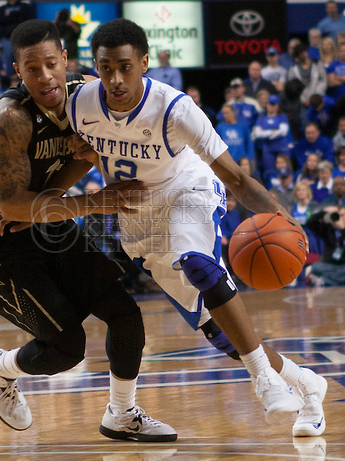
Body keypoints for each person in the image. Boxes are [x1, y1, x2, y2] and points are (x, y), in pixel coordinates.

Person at [67, 17, 328, 437]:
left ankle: (264, 380)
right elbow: (52, 87)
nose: (115, 78)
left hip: (187, 190)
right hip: (139, 218)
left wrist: (288, 222)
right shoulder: (78, 102)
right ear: (94, 66)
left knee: (197, 263)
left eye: (125, 67)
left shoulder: (175, 108)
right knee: (223, 337)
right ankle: (307, 384)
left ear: (146, 63)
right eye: (105, 68)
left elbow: (237, 178)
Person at [0, 19, 189, 442]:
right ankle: (0, 367)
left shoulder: (85, 96)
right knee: (67, 348)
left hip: (47, 224)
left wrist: (46, 202)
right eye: (32, 69)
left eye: (51, 63)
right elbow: (11, 205)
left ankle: (121, 414)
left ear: (64, 59)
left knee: (126, 316)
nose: (44, 75)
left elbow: (86, 157)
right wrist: (91, 202)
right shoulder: (9, 118)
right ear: (18, 72)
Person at [252, 94, 291, 181]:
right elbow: (257, 133)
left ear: (277, 106)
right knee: (269, 172)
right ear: (267, 105)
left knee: (285, 169)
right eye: (270, 104)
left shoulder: (282, 117)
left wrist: (266, 134)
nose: (271, 107)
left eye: (274, 104)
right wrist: (272, 132)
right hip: (268, 149)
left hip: (281, 148)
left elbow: (283, 131)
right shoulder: (262, 118)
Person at [306, 204, 345, 286]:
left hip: (343, 266)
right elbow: (310, 223)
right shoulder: (328, 229)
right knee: (315, 267)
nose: (339, 218)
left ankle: (324, 280)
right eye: (337, 215)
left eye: (342, 215)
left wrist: (342, 229)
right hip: (330, 265)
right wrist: (323, 211)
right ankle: (332, 280)